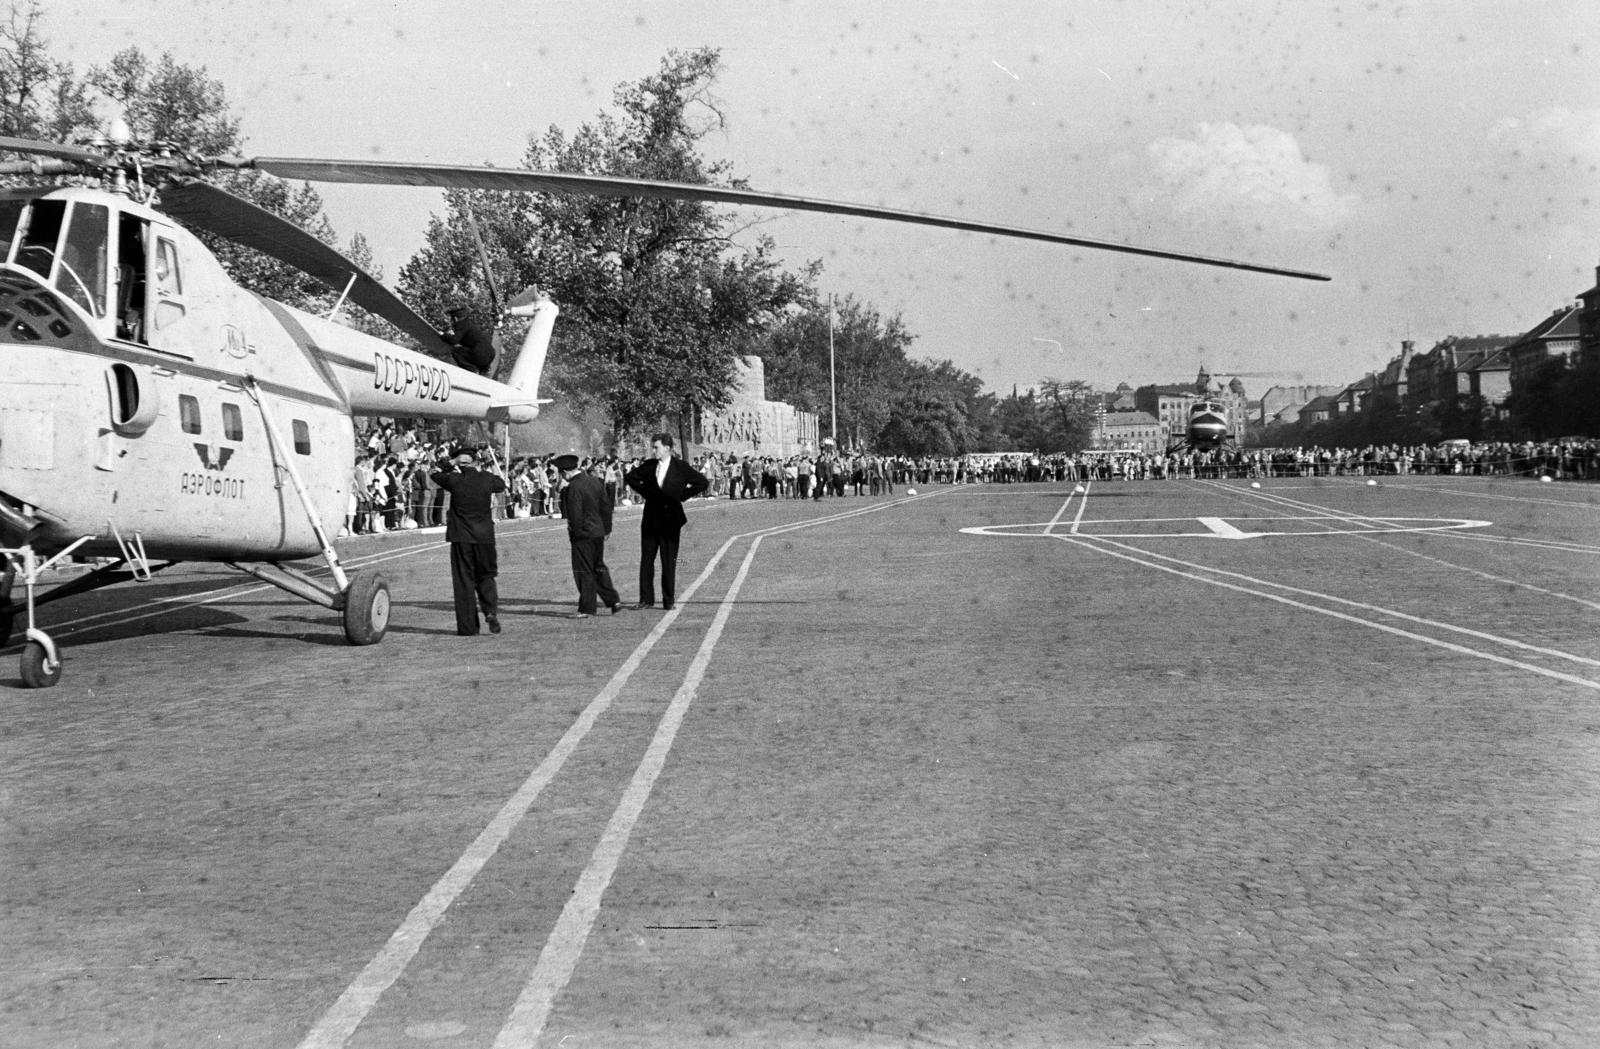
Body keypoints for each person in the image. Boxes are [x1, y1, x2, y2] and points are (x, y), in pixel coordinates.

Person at [623, 433, 710, 611]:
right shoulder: (649, 466)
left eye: (656, 447)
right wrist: (645, 491)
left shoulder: (680, 467)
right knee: (647, 560)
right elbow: (630, 477)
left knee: (668, 561)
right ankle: (646, 599)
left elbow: (701, 483)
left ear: (668, 449)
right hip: (651, 519)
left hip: (670, 519)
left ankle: (668, 600)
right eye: (653, 447)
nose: (653, 450)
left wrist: (680, 496)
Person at [431, 447, 507, 636]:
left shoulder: (454, 480)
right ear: (475, 462)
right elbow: (501, 484)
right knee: (486, 576)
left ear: (460, 463)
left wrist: (453, 463)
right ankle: (490, 610)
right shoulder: (487, 478)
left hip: (462, 537)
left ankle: (468, 627)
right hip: (484, 537)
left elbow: (434, 474)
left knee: (463, 581)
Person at [556, 454, 623, 619]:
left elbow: (575, 514)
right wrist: (607, 528)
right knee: (598, 566)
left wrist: (576, 533)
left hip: (583, 534)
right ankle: (613, 600)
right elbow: (606, 507)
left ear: (565, 472)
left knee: (584, 571)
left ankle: (587, 607)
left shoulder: (573, 487)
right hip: (598, 531)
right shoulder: (595, 481)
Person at [442, 303, 495, 375]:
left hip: (479, 354)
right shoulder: (470, 325)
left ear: (455, 318)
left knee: (456, 351)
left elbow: (453, 340)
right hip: (490, 355)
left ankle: (472, 371)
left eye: (451, 320)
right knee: (468, 353)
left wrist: (443, 336)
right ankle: (484, 372)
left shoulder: (462, 324)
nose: (451, 323)